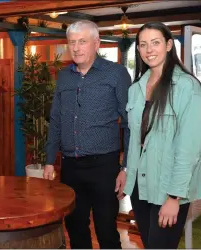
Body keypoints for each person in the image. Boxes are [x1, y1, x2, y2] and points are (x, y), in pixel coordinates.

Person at [43, 20, 131, 249]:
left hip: (104, 166)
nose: (76, 47)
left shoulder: (116, 74)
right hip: (71, 166)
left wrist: (126, 168)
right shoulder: (64, 77)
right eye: (72, 42)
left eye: (82, 42)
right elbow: (56, 120)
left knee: (106, 232)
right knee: (75, 229)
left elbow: (130, 123)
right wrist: (49, 160)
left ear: (96, 43)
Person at [123, 22, 201, 249]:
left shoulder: (186, 87)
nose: (149, 50)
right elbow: (135, 142)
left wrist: (174, 198)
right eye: (143, 45)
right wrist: (126, 172)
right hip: (139, 186)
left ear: (169, 45)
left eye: (155, 43)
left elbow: (189, 148)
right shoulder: (136, 89)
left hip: (168, 188)